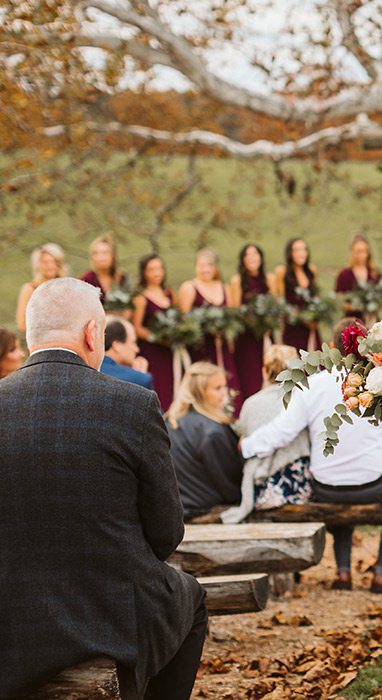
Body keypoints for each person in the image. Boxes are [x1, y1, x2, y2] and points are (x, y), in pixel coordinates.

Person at [0, 278, 206, 699]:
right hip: (112, 618)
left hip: (11, 625)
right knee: (192, 600)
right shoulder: (133, 404)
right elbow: (167, 533)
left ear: (30, 335)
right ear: (94, 334)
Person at [241, 321, 382, 593]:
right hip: (374, 484)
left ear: (331, 348)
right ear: (368, 348)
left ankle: (343, 573)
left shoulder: (313, 385)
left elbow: (282, 432)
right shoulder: (381, 385)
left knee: (339, 485)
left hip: (326, 487)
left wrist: (247, 445)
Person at [222, 344, 311, 524]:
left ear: (264, 371)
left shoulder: (250, 404)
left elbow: (244, 438)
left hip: (261, 483)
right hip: (297, 482)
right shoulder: (303, 397)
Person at [165, 362, 244, 519]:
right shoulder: (212, 431)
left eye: (224, 386)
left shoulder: (170, 422)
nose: (225, 393)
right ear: (200, 393)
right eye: (217, 388)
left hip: (178, 509)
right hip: (205, 509)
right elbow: (229, 483)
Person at [179, 248, 241, 412]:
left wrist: (225, 329)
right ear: (195, 266)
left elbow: (233, 315)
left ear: (215, 268)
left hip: (223, 346)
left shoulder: (224, 287)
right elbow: (184, 322)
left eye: (209, 265)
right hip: (201, 348)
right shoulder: (189, 287)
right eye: (201, 265)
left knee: (228, 382)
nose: (205, 269)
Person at [228, 243, 275, 402]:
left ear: (261, 257)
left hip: (266, 335)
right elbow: (235, 310)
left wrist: (268, 323)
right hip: (246, 338)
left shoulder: (270, 279)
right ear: (243, 260)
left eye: (255, 254)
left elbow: (274, 306)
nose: (252, 258)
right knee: (249, 377)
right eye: (247, 255)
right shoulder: (237, 280)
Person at [132, 254, 177, 411]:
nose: (157, 273)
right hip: (152, 351)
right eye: (152, 269)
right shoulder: (140, 297)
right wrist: (157, 338)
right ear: (144, 273)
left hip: (169, 352)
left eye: (159, 268)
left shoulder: (169, 294)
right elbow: (137, 327)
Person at [275, 237, 320, 351]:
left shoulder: (311, 270)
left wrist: (315, 315)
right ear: (290, 253)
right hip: (292, 326)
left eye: (304, 249)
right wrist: (298, 316)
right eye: (297, 250)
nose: (301, 253)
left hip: (311, 326)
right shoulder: (282, 271)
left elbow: (316, 297)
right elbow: (280, 300)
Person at [16, 242, 67, 333]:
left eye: (55, 261)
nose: (51, 266)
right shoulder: (30, 288)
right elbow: (22, 324)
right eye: (46, 262)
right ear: (37, 265)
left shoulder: (66, 287)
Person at [335, 232, 382, 321]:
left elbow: (381, 300)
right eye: (359, 251)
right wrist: (360, 306)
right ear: (352, 252)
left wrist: (376, 305)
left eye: (365, 251)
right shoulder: (344, 274)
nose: (363, 255)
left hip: (372, 321)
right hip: (352, 323)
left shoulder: (374, 273)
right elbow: (340, 301)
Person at [101, 317, 155, 391]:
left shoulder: (84, 370)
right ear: (117, 345)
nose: (137, 349)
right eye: (133, 342)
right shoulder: (139, 380)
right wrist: (139, 376)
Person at [80, 235, 127, 302]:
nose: (100, 257)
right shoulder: (87, 279)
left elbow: (127, 306)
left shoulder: (121, 278)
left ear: (113, 255)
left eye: (105, 253)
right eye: (95, 253)